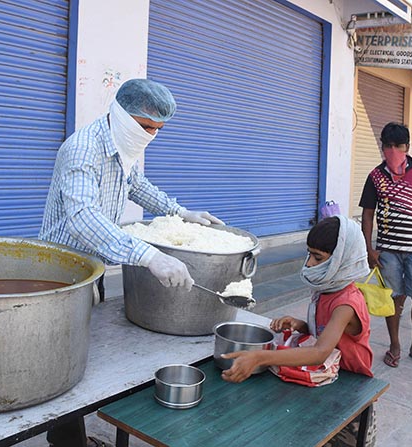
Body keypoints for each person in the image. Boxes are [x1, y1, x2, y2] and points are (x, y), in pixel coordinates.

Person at [39, 79, 223, 447]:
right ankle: (65, 440)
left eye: (158, 129)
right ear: (121, 115)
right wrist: (147, 254)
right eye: (146, 126)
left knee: (81, 352)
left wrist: (180, 212)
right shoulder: (82, 150)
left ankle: (71, 435)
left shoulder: (124, 146)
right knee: (59, 359)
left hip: (92, 267)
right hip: (60, 273)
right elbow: (83, 218)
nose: (151, 135)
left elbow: (137, 185)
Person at [221, 215, 376, 446]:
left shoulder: (346, 303)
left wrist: (259, 357)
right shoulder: (325, 289)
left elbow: (320, 352)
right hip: (323, 380)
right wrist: (300, 325)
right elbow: (325, 334)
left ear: (343, 260)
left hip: (348, 390)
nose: (310, 263)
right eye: (309, 254)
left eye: (318, 257)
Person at [359, 122, 412, 369]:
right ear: (382, 146)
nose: (394, 149)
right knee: (392, 299)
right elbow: (367, 214)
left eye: (399, 145)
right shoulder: (375, 176)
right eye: (389, 145)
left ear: (408, 146)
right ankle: (395, 345)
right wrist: (369, 249)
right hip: (388, 252)